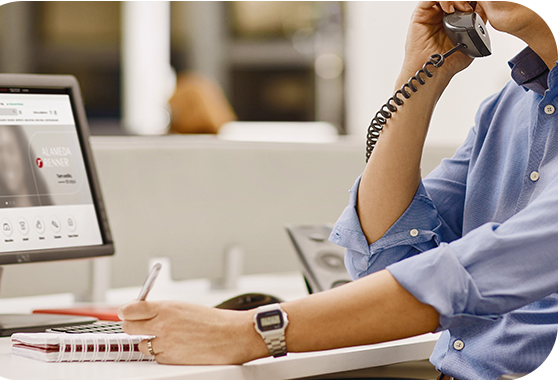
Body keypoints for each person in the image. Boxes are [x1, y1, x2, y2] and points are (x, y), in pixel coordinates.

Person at [120, 1, 558, 379]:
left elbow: (468, 275)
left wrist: (250, 332)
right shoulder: (506, 110)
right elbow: (384, 255)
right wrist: (423, 72)